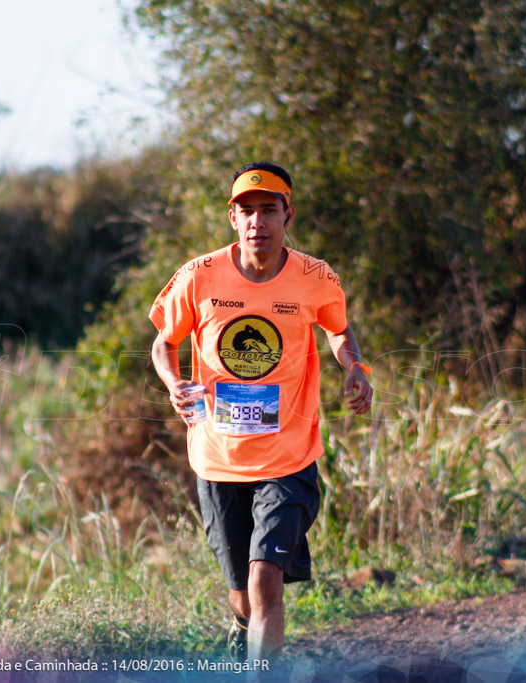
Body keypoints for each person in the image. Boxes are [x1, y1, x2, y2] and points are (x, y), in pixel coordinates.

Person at [149, 161, 374, 661]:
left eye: (268, 210)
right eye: (246, 211)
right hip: (218, 457)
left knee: (264, 580)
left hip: (290, 457)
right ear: (232, 218)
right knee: (243, 597)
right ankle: (239, 625)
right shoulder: (198, 276)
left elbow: (338, 328)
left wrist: (354, 367)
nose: (257, 222)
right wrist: (173, 382)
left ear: (287, 214)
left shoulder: (314, 276)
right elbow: (163, 343)